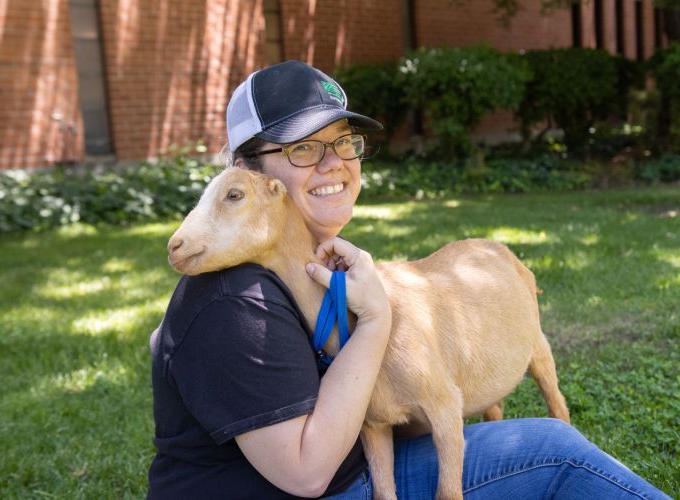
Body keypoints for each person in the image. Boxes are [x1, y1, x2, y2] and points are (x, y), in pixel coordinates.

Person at [148, 60, 670, 499]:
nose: (334, 165)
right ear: (249, 172)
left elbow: (399, 411)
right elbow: (305, 474)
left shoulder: (313, 268)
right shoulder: (236, 302)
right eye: (303, 149)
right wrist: (376, 322)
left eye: (344, 142)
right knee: (557, 453)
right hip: (333, 487)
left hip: (363, 469)